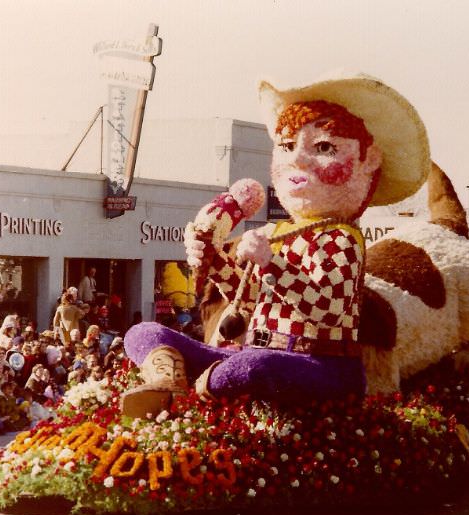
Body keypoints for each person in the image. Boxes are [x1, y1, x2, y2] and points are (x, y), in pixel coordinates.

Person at [125, 73, 419, 412]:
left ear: (368, 160)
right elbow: (249, 301)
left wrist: (272, 264)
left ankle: (189, 393)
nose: (298, 159)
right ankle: (168, 381)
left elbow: (328, 311)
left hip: (320, 364)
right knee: (144, 333)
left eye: (323, 147)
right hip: (256, 350)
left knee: (252, 368)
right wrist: (213, 258)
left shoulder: (342, 238)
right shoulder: (277, 234)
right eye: (287, 146)